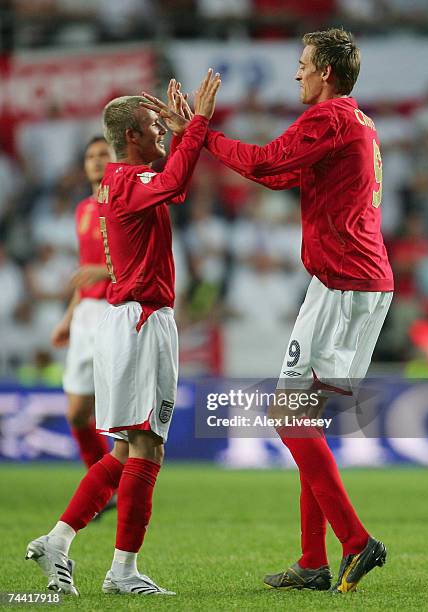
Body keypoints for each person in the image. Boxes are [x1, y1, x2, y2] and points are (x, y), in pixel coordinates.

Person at [145, 28, 393, 595]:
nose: (296, 73)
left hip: (342, 283)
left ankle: (357, 543)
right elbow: (280, 174)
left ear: (326, 71)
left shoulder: (327, 117)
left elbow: (262, 164)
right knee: (303, 418)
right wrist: (201, 138)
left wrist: (202, 131)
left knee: (287, 414)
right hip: (359, 279)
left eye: (303, 64)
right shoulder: (356, 122)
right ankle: (312, 562)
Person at [26, 69, 221, 596]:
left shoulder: (123, 184)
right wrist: (199, 122)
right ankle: (123, 571)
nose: (163, 133)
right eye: (155, 128)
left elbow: (172, 187)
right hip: (141, 320)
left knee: (123, 451)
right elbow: (177, 183)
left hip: (128, 319)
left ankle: (59, 540)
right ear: (131, 136)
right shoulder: (128, 182)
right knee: (148, 447)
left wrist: (184, 135)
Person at [51, 136, 112, 470]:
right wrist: (67, 318)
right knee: (76, 413)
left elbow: (143, 263)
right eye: (90, 156)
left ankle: (114, 487)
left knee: (121, 416)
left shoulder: (123, 202)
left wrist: (101, 271)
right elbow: (84, 274)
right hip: (86, 313)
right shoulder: (83, 209)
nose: (96, 161)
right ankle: (102, 482)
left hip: (115, 309)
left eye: (104, 154)